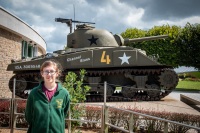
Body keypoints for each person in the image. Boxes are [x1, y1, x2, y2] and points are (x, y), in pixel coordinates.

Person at [25, 60, 70, 133]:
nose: (49, 74)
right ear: (42, 73)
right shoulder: (34, 93)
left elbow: (63, 114)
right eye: (46, 71)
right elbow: (28, 115)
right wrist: (38, 125)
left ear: (57, 73)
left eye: (52, 71)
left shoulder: (64, 93)